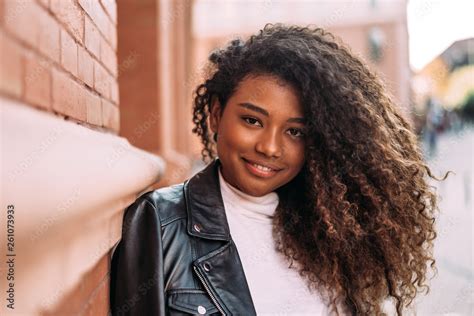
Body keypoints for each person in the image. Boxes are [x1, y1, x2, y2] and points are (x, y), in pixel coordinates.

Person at [110, 24, 449, 316]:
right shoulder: (162, 223)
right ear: (216, 114)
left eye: (295, 132)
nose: (270, 147)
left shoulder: (331, 226)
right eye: (252, 120)